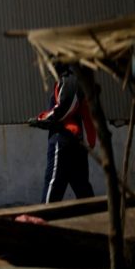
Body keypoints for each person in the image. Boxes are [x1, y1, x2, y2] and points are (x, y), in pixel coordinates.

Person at [28, 62, 95, 203]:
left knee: (51, 195)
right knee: (85, 195)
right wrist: (90, 140)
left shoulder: (69, 79)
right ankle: (98, 222)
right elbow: (87, 116)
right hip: (75, 143)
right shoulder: (74, 80)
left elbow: (63, 109)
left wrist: (40, 119)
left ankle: (44, 223)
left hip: (64, 142)